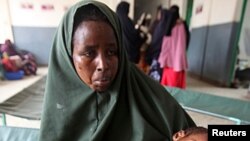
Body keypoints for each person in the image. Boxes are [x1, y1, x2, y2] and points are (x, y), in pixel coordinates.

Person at [39, 1, 196, 140]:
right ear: (68, 54)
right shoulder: (58, 105)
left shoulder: (147, 95)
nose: (103, 65)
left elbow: (209, 134)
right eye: (89, 53)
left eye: (111, 52)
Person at [158, 5, 189, 89]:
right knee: (176, 81)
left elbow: (164, 43)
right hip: (177, 59)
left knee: (169, 83)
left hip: (169, 60)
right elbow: (187, 41)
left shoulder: (168, 25)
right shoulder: (183, 24)